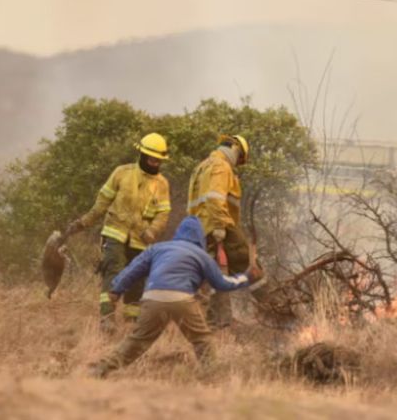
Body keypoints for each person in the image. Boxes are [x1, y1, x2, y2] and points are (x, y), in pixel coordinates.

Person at [88, 216, 262, 378]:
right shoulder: (201, 255)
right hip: (182, 299)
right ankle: (212, 377)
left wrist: (116, 289)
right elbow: (223, 283)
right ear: (199, 237)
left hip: (153, 298)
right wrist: (247, 277)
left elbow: (133, 269)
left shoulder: (158, 248)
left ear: (179, 233)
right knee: (201, 340)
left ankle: (100, 370)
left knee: (137, 341)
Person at [65, 133, 171, 333]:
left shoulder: (162, 184)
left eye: (159, 160)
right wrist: (83, 223)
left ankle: (132, 323)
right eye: (152, 158)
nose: (155, 163)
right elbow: (101, 203)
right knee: (113, 272)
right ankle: (107, 318)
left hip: (141, 241)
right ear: (142, 154)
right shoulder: (122, 173)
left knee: (137, 280)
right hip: (115, 233)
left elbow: (163, 213)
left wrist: (153, 231)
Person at [186, 134, 251, 328]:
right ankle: (275, 312)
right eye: (240, 159)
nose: (237, 164)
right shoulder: (221, 167)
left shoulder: (202, 166)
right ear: (236, 149)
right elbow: (215, 199)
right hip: (217, 225)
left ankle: (217, 319)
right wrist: (221, 226)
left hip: (199, 228)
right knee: (248, 265)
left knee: (214, 274)